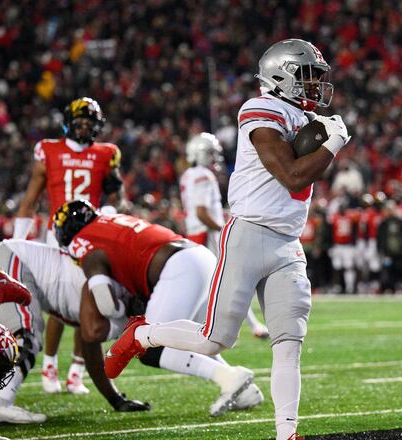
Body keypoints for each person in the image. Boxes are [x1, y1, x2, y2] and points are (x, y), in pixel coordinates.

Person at [102, 38, 350, 439]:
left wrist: (322, 138)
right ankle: (141, 333)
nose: (314, 85)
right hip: (249, 232)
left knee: (289, 340)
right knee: (214, 340)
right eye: (306, 75)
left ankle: (287, 434)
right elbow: (291, 175)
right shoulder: (260, 108)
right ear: (280, 75)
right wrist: (333, 143)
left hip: (288, 241)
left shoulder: (303, 118)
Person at [53, 201, 263, 417]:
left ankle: (229, 378)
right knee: (191, 338)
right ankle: (245, 391)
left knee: (149, 346)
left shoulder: (84, 241)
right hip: (199, 257)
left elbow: (105, 302)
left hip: (179, 268)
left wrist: (125, 312)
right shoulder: (111, 222)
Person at [0, 239, 151, 423]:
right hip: (12, 260)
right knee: (26, 335)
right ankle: (2, 404)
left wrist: (116, 400)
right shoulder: (113, 289)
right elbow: (94, 332)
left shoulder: (118, 297)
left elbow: (91, 348)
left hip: (6, 260)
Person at [13, 97, 124, 395]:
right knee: (56, 305)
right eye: (80, 122)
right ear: (68, 123)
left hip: (93, 236)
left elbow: (117, 200)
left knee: (85, 305)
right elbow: (30, 201)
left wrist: (114, 208)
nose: (85, 127)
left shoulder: (107, 153)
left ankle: (76, 370)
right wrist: (18, 242)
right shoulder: (48, 149)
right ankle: (49, 363)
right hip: (57, 235)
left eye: (90, 122)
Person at [180, 132, 269, 338]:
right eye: (211, 153)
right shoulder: (204, 176)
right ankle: (249, 326)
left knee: (215, 285)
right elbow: (202, 212)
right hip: (207, 234)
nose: (214, 158)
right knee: (233, 281)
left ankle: (200, 328)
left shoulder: (187, 175)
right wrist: (223, 228)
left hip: (194, 234)